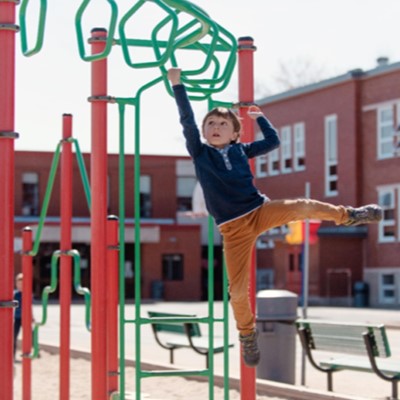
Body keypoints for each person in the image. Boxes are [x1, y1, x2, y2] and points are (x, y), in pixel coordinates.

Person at [167, 67, 383, 367]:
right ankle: (247, 334)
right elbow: (187, 120)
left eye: (221, 124)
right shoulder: (201, 153)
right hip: (233, 230)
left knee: (303, 205)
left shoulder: (243, 150)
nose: (214, 127)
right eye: (210, 124)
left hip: (259, 211)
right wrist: (178, 85)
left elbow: (273, 142)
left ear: (234, 132)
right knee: (238, 290)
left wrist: (259, 118)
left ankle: (350, 216)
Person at [13, 273, 23, 360]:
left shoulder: (27, 293)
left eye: (22, 284)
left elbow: (29, 306)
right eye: (19, 284)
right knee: (14, 336)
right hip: (17, 317)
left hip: (26, 317)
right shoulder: (15, 294)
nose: (21, 286)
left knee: (31, 334)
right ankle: (13, 354)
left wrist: (32, 316)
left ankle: (34, 350)